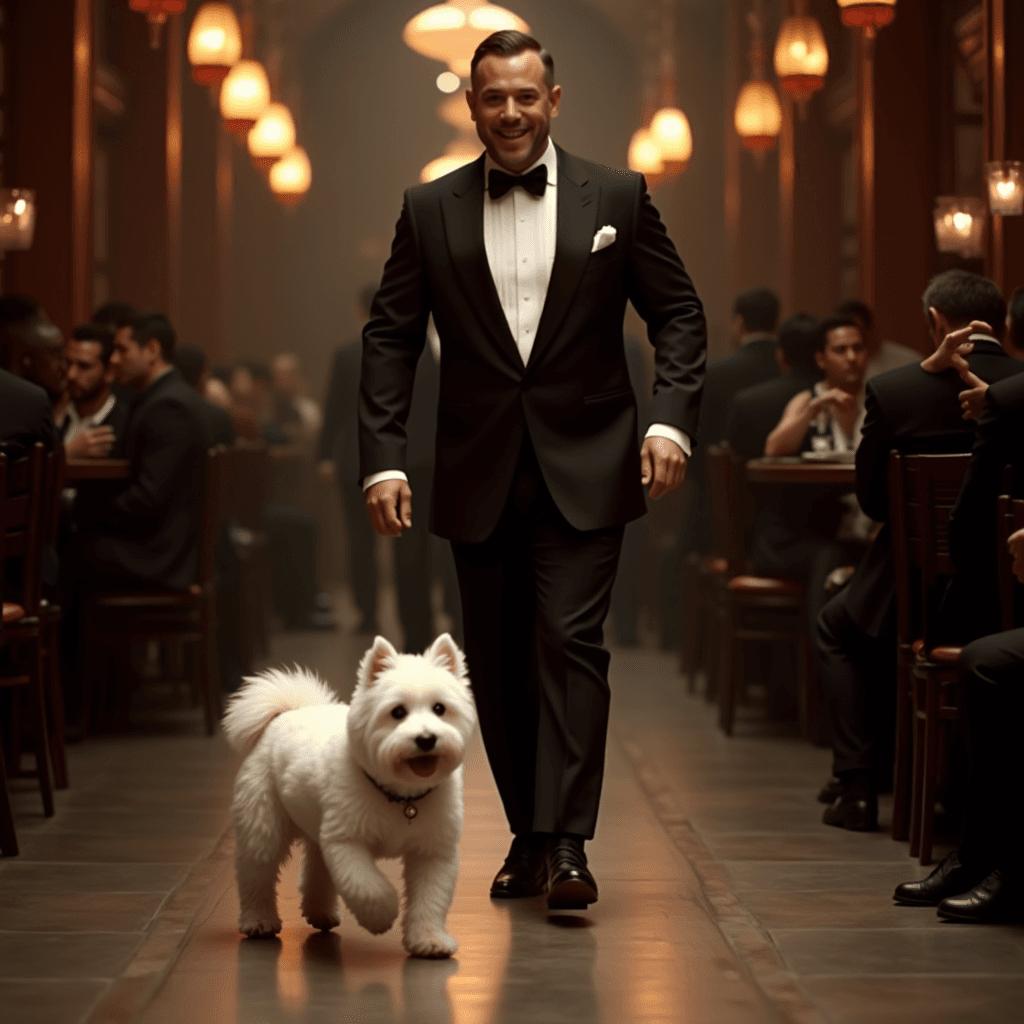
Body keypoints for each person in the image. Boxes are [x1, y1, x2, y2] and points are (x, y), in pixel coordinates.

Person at [358, 30, 706, 910]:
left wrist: (668, 420)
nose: (509, 112)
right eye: (492, 98)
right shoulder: (428, 207)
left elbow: (680, 316)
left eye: (524, 96)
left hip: (590, 463)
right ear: (471, 104)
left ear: (554, 100)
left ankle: (570, 848)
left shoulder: (618, 194)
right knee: (501, 660)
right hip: (475, 470)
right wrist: (383, 462)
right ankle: (528, 835)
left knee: (571, 646)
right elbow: (391, 339)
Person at [815, 270, 1023, 831]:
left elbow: (873, 503)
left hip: (911, 586)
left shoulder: (897, 390)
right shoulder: (1021, 386)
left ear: (934, 321)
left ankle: (859, 783)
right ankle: (956, 788)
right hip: (1006, 586)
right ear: (1002, 323)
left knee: (840, 626)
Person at [660, 286, 780, 648]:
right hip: (777, 509)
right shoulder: (787, 371)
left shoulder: (714, 373)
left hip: (717, 507)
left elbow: (696, 441)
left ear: (738, 322)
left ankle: (684, 643)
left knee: (676, 562)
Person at [765, 315, 867, 457]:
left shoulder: (879, 398)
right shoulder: (807, 400)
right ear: (821, 360)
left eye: (858, 348)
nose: (852, 357)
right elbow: (773, 450)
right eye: (840, 350)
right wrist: (815, 406)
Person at [727, 312, 821, 459]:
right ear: (821, 357)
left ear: (780, 356)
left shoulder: (748, 402)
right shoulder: (839, 398)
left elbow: (735, 461)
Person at [61, 323, 130, 459]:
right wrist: (68, 453)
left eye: (84, 366)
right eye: (68, 363)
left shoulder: (126, 425)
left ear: (109, 372)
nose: (71, 374)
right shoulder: (58, 416)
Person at [836, 298, 918, 380]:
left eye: (858, 331)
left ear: (870, 329)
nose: (851, 337)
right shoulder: (835, 365)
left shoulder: (908, 363)